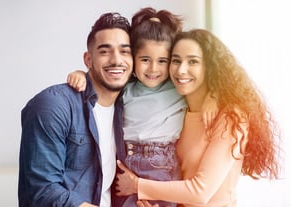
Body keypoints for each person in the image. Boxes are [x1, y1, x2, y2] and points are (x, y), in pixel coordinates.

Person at [67, 8, 217, 207]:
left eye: (162, 61)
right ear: (133, 58)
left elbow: (209, 84)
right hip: (124, 160)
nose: (154, 69)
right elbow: (101, 79)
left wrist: (213, 98)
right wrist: (81, 74)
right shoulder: (126, 87)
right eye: (145, 60)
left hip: (160, 165)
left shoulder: (176, 88)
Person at [115, 29, 281, 207]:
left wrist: (136, 185)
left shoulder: (230, 118)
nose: (181, 70)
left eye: (193, 61)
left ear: (210, 67)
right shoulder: (178, 110)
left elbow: (200, 192)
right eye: (176, 61)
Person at [18, 12, 133, 207]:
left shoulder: (128, 107)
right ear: (88, 59)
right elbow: (42, 191)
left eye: (125, 51)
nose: (116, 60)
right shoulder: (52, 106)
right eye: (105, 51)